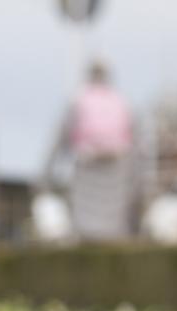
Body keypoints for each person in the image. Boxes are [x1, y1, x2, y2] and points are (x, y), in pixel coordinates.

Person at [44, 61, 133, 241]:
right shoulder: (121, 102)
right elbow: (133, 144)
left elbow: (60, 137)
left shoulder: (78, 100)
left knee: (85, 229)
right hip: (114, 174)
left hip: (87, 167)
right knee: (112, 230)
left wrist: (46, 172)